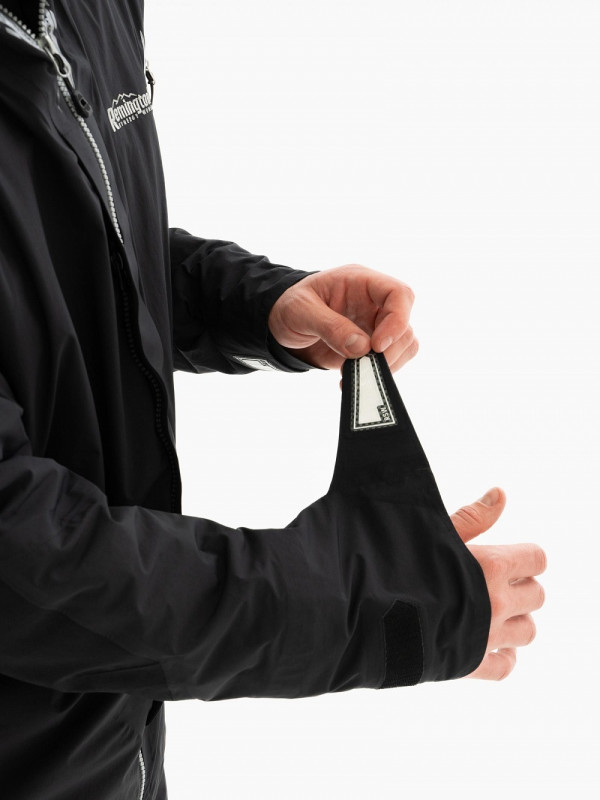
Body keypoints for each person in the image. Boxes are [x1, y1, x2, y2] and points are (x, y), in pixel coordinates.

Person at [0, 2, 546, 798]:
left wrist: (256, 305)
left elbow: (62, 247)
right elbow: (25, 563)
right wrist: (371, 599)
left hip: (114, 749)